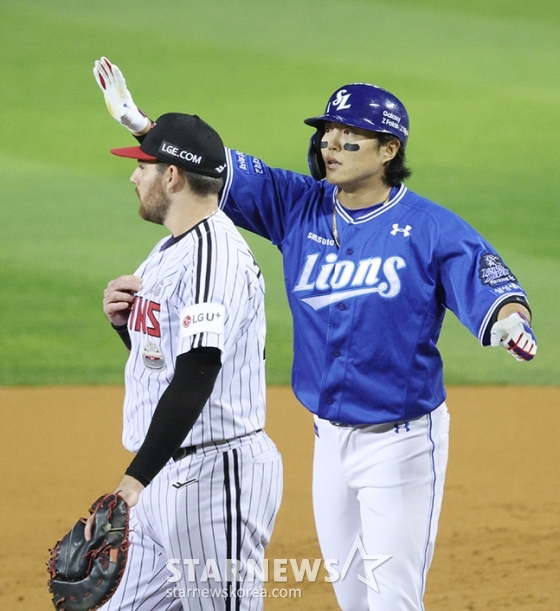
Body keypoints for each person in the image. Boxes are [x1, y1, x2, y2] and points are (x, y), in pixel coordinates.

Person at [93, 58, 537, 611]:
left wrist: (508, 319)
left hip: (399, 444)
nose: (331, 144)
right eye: (328, 132)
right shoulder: (297, 206)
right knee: (353, 598)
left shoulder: (428, 226)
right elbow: (204, 167)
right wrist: (142, 127)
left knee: (393, 600)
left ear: (388, 150)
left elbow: (487, 280)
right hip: (328, 442)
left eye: (350, 137)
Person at [91, 110, 282, 611]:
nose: (134, 176)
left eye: (142, 166)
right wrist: (124, 324)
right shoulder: (171, 249)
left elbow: (199, 370)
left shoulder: (214, 256)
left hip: (215, 480)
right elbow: (168, 364)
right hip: (166, 478)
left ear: (171, 176)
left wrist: (133, 479)